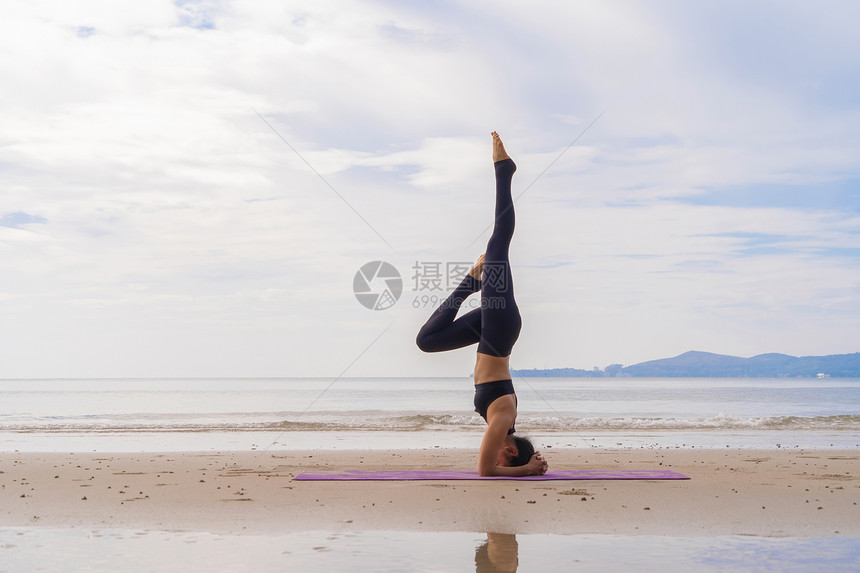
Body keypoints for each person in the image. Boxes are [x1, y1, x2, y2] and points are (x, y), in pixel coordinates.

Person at [416, 131, 548, 477]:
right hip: (500, 330)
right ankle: (504, 171)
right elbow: (486, 471)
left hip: (491, 333)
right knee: (498, 244)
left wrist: (529, 466)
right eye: (505, 457)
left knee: (426, 342)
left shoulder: (505, 424)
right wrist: (528, 471)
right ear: (508, 449)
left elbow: (492, 466)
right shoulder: (503, 420)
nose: (495, 455)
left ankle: (470, 281)